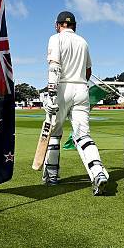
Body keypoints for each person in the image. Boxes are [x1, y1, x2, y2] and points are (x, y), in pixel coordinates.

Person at [42, 11, 109, 195]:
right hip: (81, 89)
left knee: (54, 134)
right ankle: (97, 172)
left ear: (58, 25)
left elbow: (54, 67)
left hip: (62, 88)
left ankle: (52, 176)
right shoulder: (83, 42)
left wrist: (51, 94)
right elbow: (88, 72)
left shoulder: (55, 38)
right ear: (74, 26)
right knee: (83, 136)